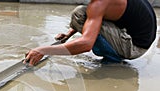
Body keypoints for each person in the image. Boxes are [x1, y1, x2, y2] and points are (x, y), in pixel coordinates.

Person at [24, 0, 157, 65]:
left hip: (135, 47)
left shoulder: (99, 3)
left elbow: (86, 44)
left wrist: (43, 50)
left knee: (79, 13)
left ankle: (113, 61)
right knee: (82, 12)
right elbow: (95, 17)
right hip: (140, 39)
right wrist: (68, 35)